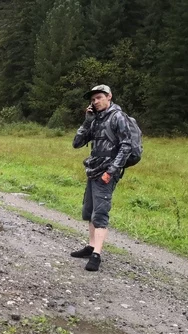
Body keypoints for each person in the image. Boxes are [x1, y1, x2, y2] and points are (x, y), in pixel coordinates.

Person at [71, 84, 132, 272]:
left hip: (106, 173)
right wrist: (87, 121)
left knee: (100, 213)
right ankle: (90, 247)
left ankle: (97, 255)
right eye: (93, 99)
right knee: (89, 211)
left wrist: (111, 171)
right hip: (93, 170)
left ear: (109, 96)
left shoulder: (118, 117)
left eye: (99, 97)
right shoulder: (96, 119)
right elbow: (77, 143)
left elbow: (126, 146)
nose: (96, 101)